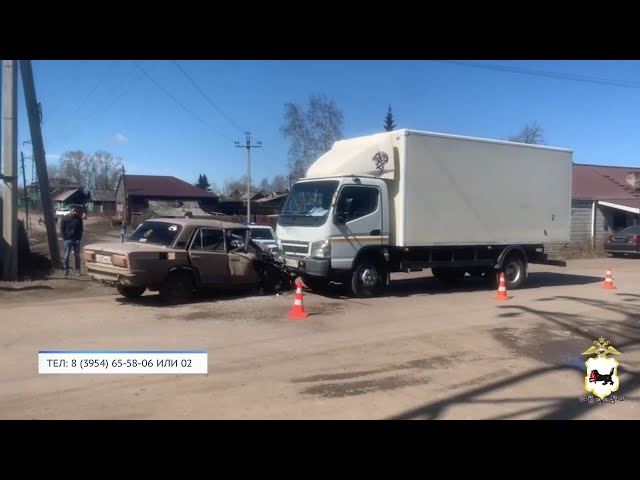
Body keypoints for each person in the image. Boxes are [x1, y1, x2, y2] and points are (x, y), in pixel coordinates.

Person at [60, 207, 83, 276]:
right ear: (70, 211)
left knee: (77, 256)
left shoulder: (78, 218)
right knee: (66, 256)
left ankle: (77, 270)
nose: (75, 212)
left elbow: (81, 228)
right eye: (73, 211)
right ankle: (66, 270)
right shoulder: (65, 218)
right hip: (68, 240)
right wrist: (64, 238)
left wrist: (79, 238)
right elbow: (62, 229)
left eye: (76, 211)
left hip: (76, 240)